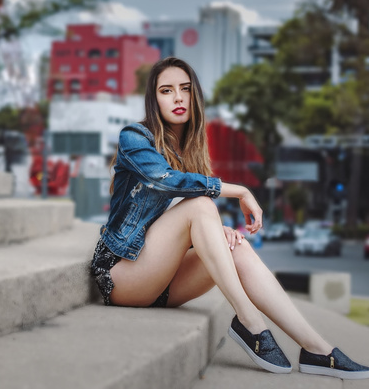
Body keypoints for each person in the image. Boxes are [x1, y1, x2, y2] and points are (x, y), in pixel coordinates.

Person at [91, 56, 369, 379]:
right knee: (202, 206)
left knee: (236, 245)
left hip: (160, 279)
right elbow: (165, 181)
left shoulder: (189, 149)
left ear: (195, 95)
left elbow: (167, 218)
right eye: (166, 91)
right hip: (120, 274)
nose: (178, 98)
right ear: (153, 101)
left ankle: (317, 349)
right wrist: (238, 191)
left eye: (185, 89)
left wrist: (213, 230)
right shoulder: (134, 138)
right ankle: (250, 321)